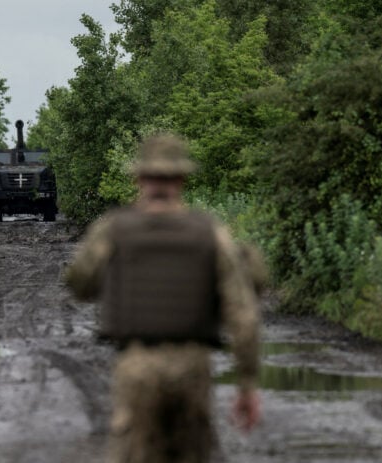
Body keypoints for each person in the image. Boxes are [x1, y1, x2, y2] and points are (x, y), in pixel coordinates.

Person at [64, 134, 262, 463]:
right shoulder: (209, 232)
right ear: (182, 179)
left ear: (139, 178)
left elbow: (80, 284)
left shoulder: (114, 229)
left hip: (137, 364)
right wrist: (247, 383)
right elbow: (243, 313)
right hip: (193, 364)